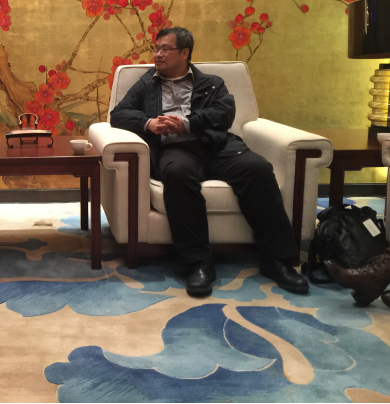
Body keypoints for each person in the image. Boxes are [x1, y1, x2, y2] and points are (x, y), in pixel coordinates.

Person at [110, 27, 309, 297]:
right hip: (176, 150)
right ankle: (198, 263)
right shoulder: (147, 84)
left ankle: (277, 260)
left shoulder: (212, 83)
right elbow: (119, 114)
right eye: (155, 49)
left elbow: (224, 114)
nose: (157, 54)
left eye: (165, 49)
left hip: (217, 147)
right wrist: (149, 123)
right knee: (178, 174)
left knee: (258, 169)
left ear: (184, 53)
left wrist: (187, 123)